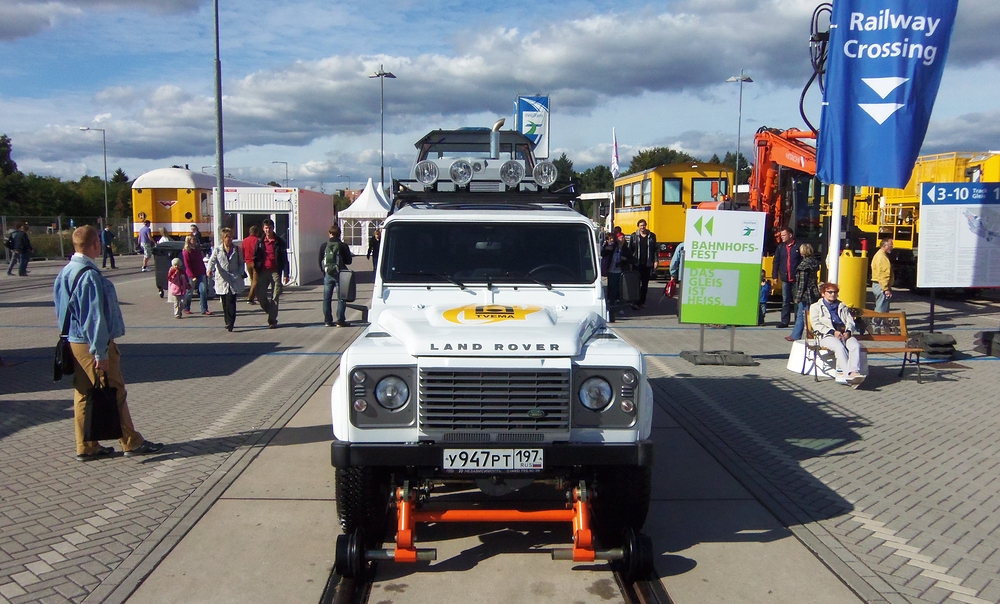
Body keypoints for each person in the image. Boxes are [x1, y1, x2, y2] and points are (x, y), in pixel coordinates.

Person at [53, 225, 164, 461]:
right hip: (91, 343)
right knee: (115, 391)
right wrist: (101, 351)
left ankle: (86, 445)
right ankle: (131, 441)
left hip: (73, 341)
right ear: (95, 244)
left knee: (83, 393)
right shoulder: (89, 275)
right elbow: (95, 318)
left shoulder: (66, 271)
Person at [810, 282, 865, 386]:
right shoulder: (815, 307)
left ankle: (854, 372)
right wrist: (832, 332)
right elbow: (816, 324)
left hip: (844, 334)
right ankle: (847, 374)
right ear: (823, 293)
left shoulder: (842, 305)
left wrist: (848, 331)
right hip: (827, 335)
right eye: (829, 292)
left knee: (855, 345)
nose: (832, 294)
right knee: (839, 347)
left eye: (835, 292)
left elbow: (850, 321)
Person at [253, 218, 290, 329]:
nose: (268, 230)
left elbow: (284, 259)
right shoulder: (260, 242)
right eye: (266, 228)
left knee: (275, 295)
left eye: (269, 228)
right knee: (260, 296)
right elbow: (255, 256)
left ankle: (272, 320)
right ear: (263, 229)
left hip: (275, 271)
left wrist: (286, 274)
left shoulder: (279, 242)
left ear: (273, 228)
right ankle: (270, 310)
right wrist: (256, 268)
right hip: (263, 271)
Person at [207, 227, 245, 332]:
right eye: (226, 237)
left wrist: (241, 272)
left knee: (231, 301)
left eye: (230, 237)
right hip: (222, 278)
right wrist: (209, 270)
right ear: (223, 238)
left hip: (234, 277)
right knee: (224, 301)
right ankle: (227, 320)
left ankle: (230, 322)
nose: (228, 239)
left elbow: (241, 262)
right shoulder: (218, 250)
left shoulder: (237, 249)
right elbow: (212, 261)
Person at [319, 224, 353, 327]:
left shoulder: (324, 246)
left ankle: (327, 320)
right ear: (339, 234)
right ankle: (340, 320)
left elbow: (319, 260)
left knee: (327, 298)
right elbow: (348, 261)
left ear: (330, 234)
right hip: (340, 274)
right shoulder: (343, 246)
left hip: (328, 275)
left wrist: (324, 271)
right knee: (341, 297)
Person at [788, 243, 821, 341]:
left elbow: (802, 283)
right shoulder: (814, 262)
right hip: (814, 291)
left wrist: (798, 296)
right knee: (805, 314)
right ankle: (796, 334)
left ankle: (799, 335)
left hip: (806, 294)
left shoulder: (804, 265)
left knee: (803, 315)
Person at [771, 227, 801, 328]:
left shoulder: (799, 246)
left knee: (797, 301)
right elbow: (776, 262)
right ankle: (784, 321)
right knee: (785, 301)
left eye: (784, 235)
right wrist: (775, 275)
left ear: (790, 235)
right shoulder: (780, 247)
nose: (782, 237)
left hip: (796, 278)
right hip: (785, 278)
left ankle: (798, 321)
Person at [628, 219, 657, 308]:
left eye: (644, 225)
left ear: (646, 225)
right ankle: (635, 302)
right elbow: (630, 250)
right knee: (636, 284)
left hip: (647, 264)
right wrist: (630, 262)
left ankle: (642, 302)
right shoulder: (634, 236)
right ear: (638, 226)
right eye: (641, 225)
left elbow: (655, 249)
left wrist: (655, 260)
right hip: (637, 264)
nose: (642, 227)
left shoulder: (651, 236)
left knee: (645, 284)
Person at [602, 232, 635, 306]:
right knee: (612, 288)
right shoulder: (613, 247)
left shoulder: (626, 249)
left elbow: (632, 260)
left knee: (620, 289)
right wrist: (606, 248)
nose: (622, 239)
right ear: (617, 239)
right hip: (611, 270)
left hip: (621, 271)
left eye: (623, 237)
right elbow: (603, 254)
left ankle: (620, 305)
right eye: (620, 237)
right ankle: (612, 303)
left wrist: (625, 258)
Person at [182, 235, 210, 315]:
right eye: (192, 239)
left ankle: (204, 309)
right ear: (188, 241)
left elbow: (200, 261)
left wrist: (204, 271)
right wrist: (192, 275)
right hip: (192, 274)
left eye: (195, 239)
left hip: (201, 272)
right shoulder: (186, 251)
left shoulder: (197, 249)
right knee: (190, 291)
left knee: (203, 290)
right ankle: (186, 307)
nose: (194, 241)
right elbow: (187, 265)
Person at [871, 237, 894, 314]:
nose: (892, 247)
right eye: (891, 245)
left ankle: (880, 325)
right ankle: (877, 325)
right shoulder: (882, 257)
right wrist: (886, 289)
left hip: (878, 285)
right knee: (881, 309)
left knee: (881, 307)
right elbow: (883, 274)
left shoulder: (879, 255)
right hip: (881, 286)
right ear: (885, 246)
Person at [241, 225, 261, 305]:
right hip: (255, 262)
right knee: (255, 281)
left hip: (247, 262)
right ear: (256, 232)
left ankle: (257, 296)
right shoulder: (258, 240)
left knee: (252, 280)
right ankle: (250, 298)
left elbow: (242, 251)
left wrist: (243, 260)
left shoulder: (244, 241)